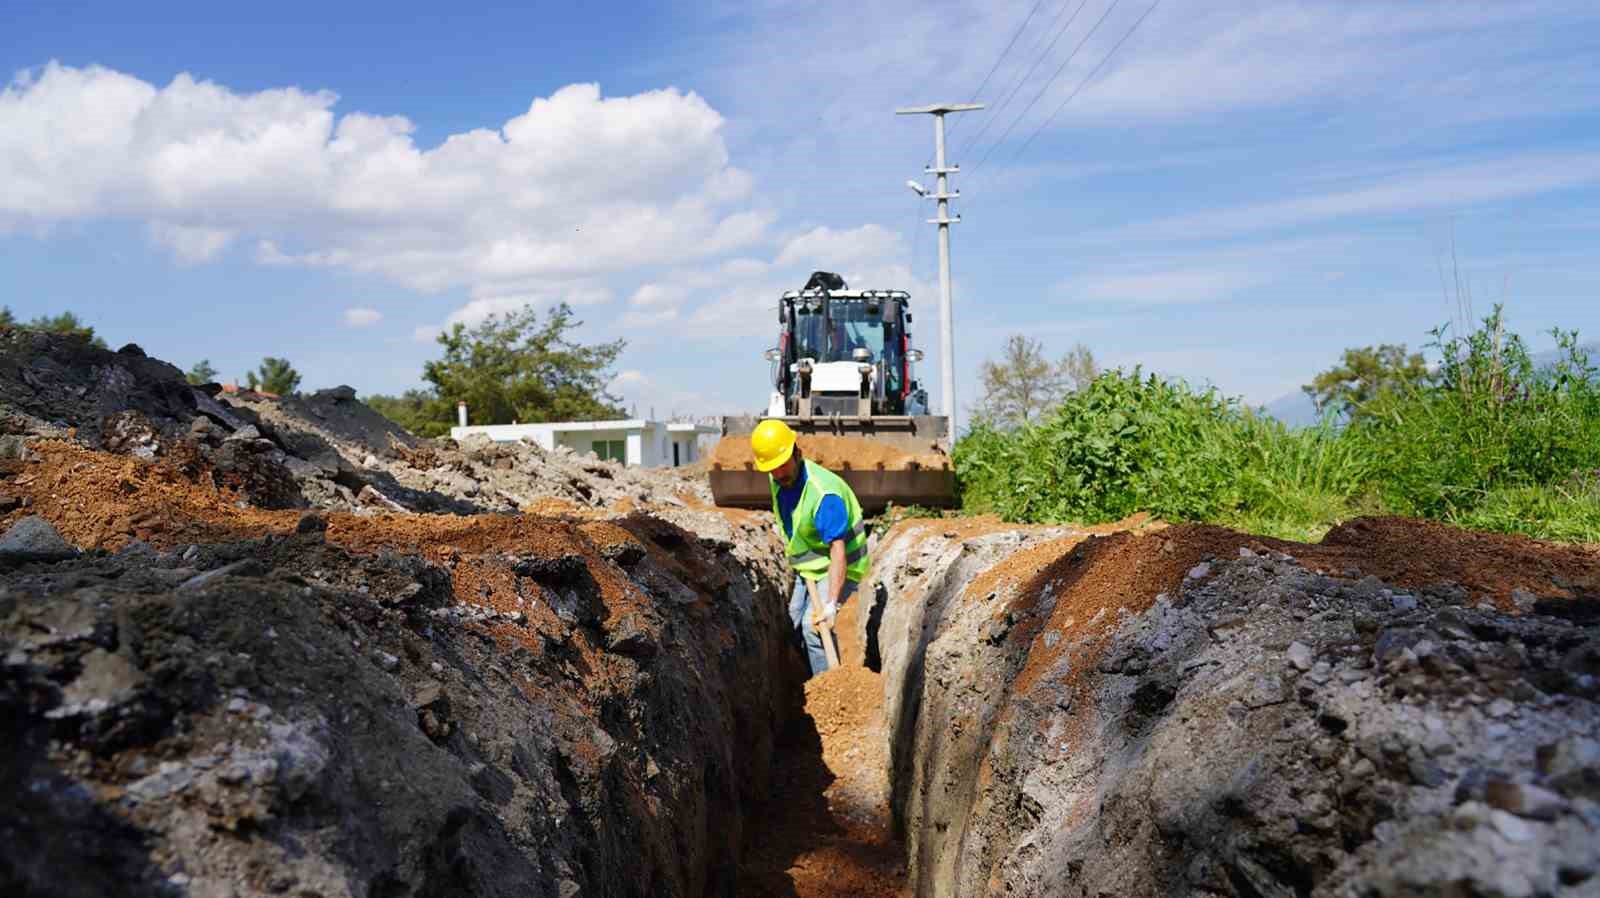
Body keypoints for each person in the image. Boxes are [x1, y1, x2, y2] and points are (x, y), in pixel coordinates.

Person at [749, 418, 870, 677]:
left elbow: (838, 549)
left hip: (839, 563)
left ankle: (828, 692)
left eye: (782, 466)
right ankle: (803, 683)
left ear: (796, 451)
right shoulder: (779, 480)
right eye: (772, 469)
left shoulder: (823, 494)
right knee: (792, 625)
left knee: (814, 627)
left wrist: (831, 604)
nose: (779, 474)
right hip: (810, 565)